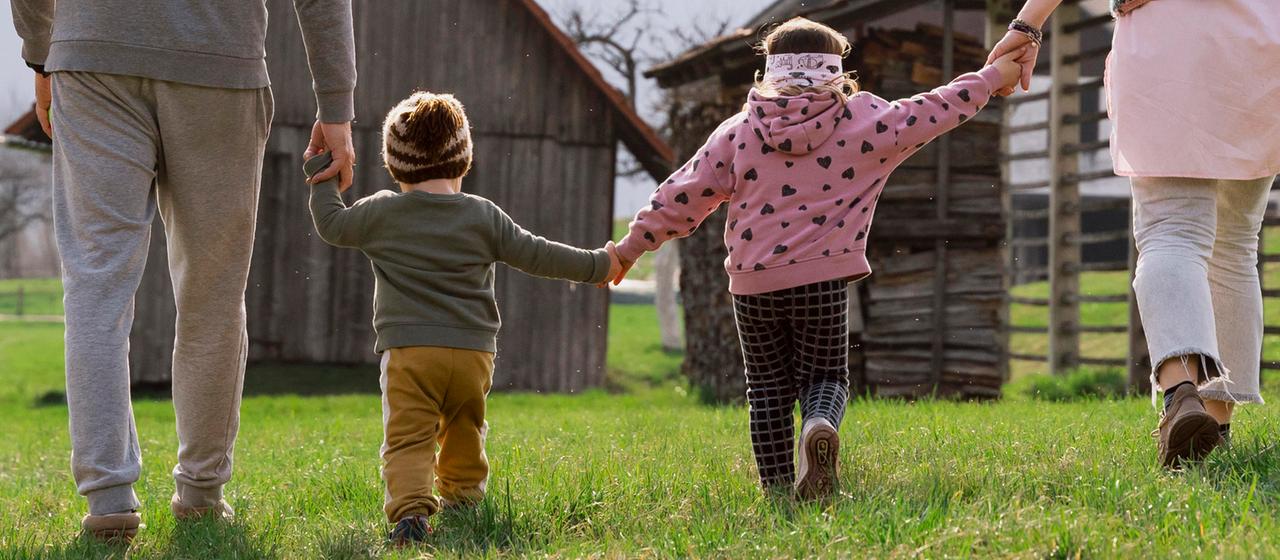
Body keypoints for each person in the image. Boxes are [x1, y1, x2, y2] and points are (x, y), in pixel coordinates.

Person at [609, 17, 1025, 499]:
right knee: (825, 377)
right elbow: (931, 110)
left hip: (753, 284)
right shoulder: (863, 121)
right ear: (835, 68)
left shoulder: (739, 132)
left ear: (769, 69)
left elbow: (682, 193)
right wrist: (991, 79)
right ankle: (819, 425)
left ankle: (778, 490)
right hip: (821, 281)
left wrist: (628, 248)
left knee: (766, 389)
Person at [9, 0, 358, 542]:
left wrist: (42, 54)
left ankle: (109, 499)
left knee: (96, 288)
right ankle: (200, 493)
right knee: (213, 295)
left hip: (93, 54)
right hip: (219, 62)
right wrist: (335, 106)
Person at [304, 91, 621, 546]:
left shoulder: (381, 212)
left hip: (411, 353)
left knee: (409, 436)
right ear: (463, 157)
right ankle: (465, 501)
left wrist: (321, 173)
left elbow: (332, 225)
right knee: (464, 427)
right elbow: (538, 254)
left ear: (395, 162)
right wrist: (599, 265)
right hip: (474, 354)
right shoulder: (483, 216)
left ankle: (412, 516)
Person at [988, 0, 1280, 468]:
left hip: (1170, 46)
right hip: (1261, 50)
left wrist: (1029, 24)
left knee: (1171, 231)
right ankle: (1217, 425)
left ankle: (1182, 393)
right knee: (1234, 247)